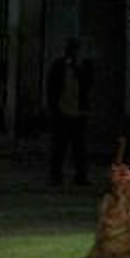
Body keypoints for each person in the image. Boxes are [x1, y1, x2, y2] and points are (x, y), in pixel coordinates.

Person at [46, 38, 94, 187]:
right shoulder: (59, 66)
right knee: (60, 146)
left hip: (78, 111)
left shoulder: (84, 66)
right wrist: (53, 107)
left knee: (79, 147)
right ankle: (56, 176)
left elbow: (88, 84)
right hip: (62, 110)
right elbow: (52, 87)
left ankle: (80, 176)